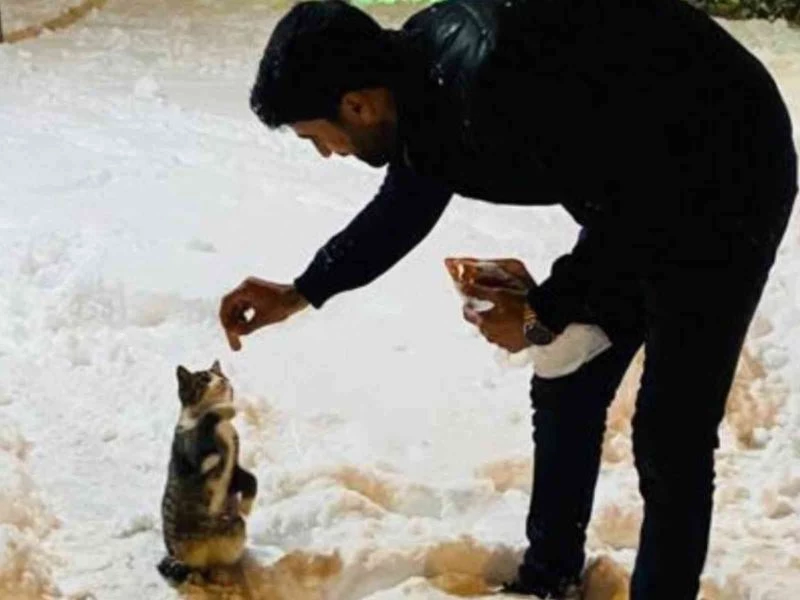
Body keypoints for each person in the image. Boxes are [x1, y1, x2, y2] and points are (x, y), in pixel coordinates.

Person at [218, 0, 797, 597]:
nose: (327, 152)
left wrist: (541, 316)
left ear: (357, 104)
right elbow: (408, 202)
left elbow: (639, 210)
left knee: (671, 431)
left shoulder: (495, 90)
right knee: (569, 376)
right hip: (644, 175)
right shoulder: (419, 81)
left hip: (730, 172)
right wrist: (302, 290)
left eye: (319, 136)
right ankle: (550, 578)